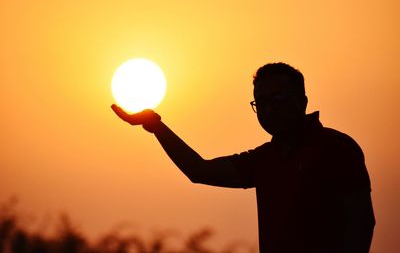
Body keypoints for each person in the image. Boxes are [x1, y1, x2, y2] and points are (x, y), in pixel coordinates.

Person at [111, 63, 375, 253]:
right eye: (261, 103)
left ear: (302, 101)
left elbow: (362, 220)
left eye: (279, 99)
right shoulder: (264, 160)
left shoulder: (336, 148)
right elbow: (199, 170)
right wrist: (156, 126)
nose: (269, 109)